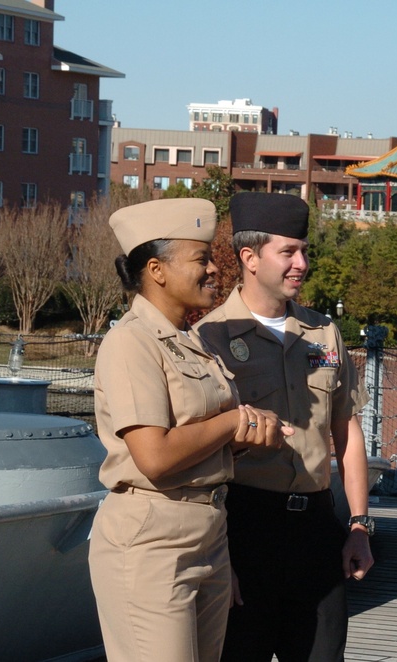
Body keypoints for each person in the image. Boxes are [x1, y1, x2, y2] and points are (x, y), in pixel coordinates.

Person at [89, 198, 291, 662]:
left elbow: (204, 438)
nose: (214, 269)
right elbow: (154, 457)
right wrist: (233, 421)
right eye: (200, 259)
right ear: (156, 270)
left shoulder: (189, 342)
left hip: (208, 530)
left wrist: (245, 437)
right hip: (152, 540)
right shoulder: (131, 343)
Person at [196, 192, 374, 662]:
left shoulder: (324, 332)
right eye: (288, 252)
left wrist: (358, 524)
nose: (302, 263)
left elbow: (347, 430)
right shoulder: (209, 339)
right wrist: (219, 557)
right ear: (250, 258)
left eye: (304, 250)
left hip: (318, 526)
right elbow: (200, 453)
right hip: (244, 528)